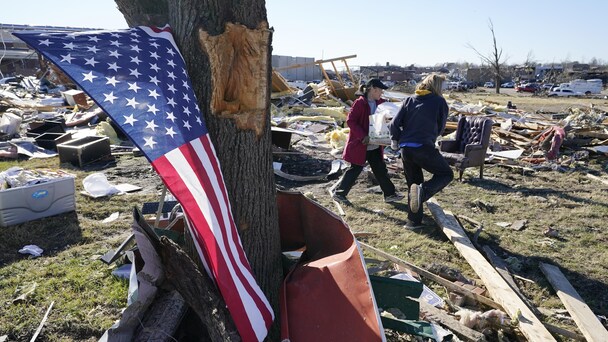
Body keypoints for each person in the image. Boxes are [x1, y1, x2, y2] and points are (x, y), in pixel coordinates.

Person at [389, 73, 454, 228]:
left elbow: (394, 123)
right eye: (443, 85)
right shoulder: (439, 102)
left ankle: (413, 222)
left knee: (413, 184)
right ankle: (423, 192)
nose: (445, 88)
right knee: (446, 174)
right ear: (437, 86)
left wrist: (394, 140)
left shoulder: (409, 100)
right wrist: (432, 136)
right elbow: (440, 127)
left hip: (405, 149)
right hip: (423, 147)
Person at [331, 79, 404, 204]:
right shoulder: (360, 103)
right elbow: (351, 121)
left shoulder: (381, 103)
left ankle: (390, 194)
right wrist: (363, 136)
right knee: (355, 169)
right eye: (380, 90)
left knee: (380, 169)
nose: (381, 93)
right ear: (373, 89)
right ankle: (339, 194)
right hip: (362, 144)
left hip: (375, 144)